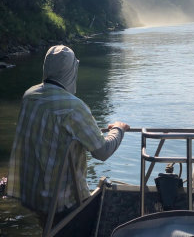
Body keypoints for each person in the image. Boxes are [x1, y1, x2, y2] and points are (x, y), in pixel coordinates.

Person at [7, 45, 130, 226]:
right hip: (62, 202)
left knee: (50, 228)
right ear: (72, 70)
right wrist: (118, 129)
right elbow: (102, 151)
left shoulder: (30, 96)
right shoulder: (73, 107)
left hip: (34, 195)